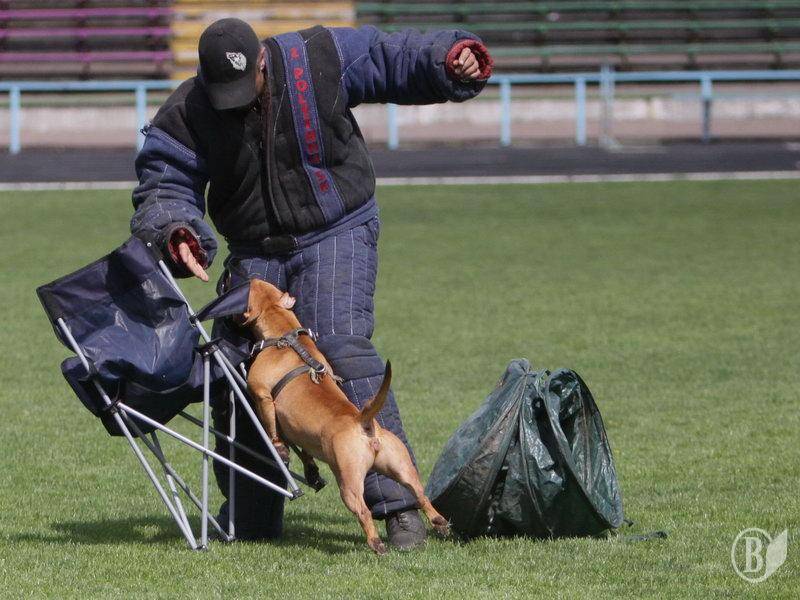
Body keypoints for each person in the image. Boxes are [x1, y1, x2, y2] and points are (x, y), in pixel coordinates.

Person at [130, 17, 492, 549]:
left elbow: (388, 56)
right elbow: (164, 183)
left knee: (341, 348)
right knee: (237, 370)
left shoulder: (316, 55)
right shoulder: (188, 108)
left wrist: (448, 59)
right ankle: (252, 515)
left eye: (243, 88)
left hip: (337, 228)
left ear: (261, 61)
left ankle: (400, 509)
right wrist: (175, 229)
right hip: (254, 248)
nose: (233, 104)